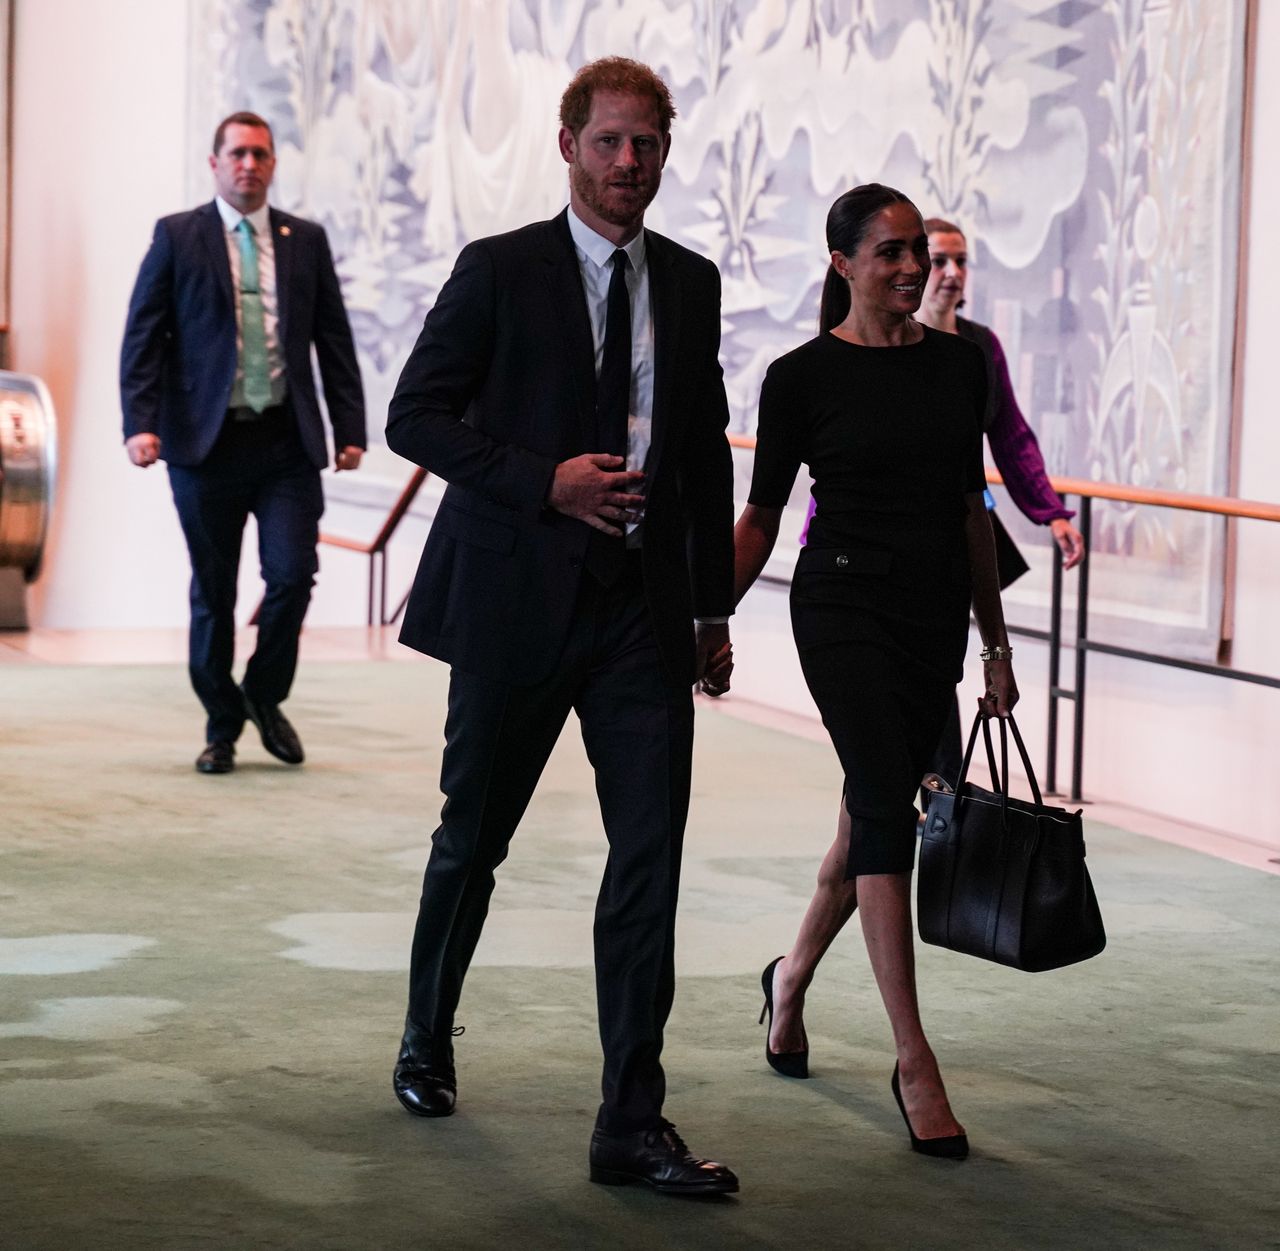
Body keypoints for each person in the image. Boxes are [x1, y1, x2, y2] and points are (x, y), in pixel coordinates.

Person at [385, 58, 738, 1196]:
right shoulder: (498, 271)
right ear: (567, 145)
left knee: (649, 855)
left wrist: (709, 606)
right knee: (471, 839)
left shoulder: (690, 281)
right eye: (608, 143)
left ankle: (630, 1119)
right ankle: (425, 1036)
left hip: (638, 616)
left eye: (645, 145)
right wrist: (545, 481)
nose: (628, 163)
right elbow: (414, 416)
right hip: (513, 603)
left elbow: (697, 451)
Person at [731, 184, 1018, 1160]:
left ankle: (789, 981)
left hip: (928, 616)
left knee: (868, 814)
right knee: (881, 805)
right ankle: (912, 1057)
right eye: (890, 253)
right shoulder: (799, 376)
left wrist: (993, 645)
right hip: (840, 607)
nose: (911, 268)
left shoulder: (958, 367)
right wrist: (704, 618)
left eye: (920, 253)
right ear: (842, 264)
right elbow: (762, 517)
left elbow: (970, 515)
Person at [120, 111, 366, 775]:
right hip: (205, 446)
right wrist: (139, 422)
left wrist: (350, 428)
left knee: (292, 574)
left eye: (260, 154)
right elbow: (143, 336)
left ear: (273, 163)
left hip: (286, 443)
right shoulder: (177, 236)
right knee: (214, 590)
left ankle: (262, 690)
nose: (249, 164)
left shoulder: (305, 240)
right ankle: (221, 724)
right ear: (215, 162)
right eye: (237, 154)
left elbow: (333, 341)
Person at [916, 217, 1084, 790]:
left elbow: (1010, 434)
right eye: (939, 260)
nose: (951, 274)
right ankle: (904, 802)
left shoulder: (980, 347)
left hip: (958, 533)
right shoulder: (885, 344)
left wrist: (1051, 510)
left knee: (940, 666)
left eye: (961, 262)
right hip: (886, 539)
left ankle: (936, 795)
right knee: (905, 681)